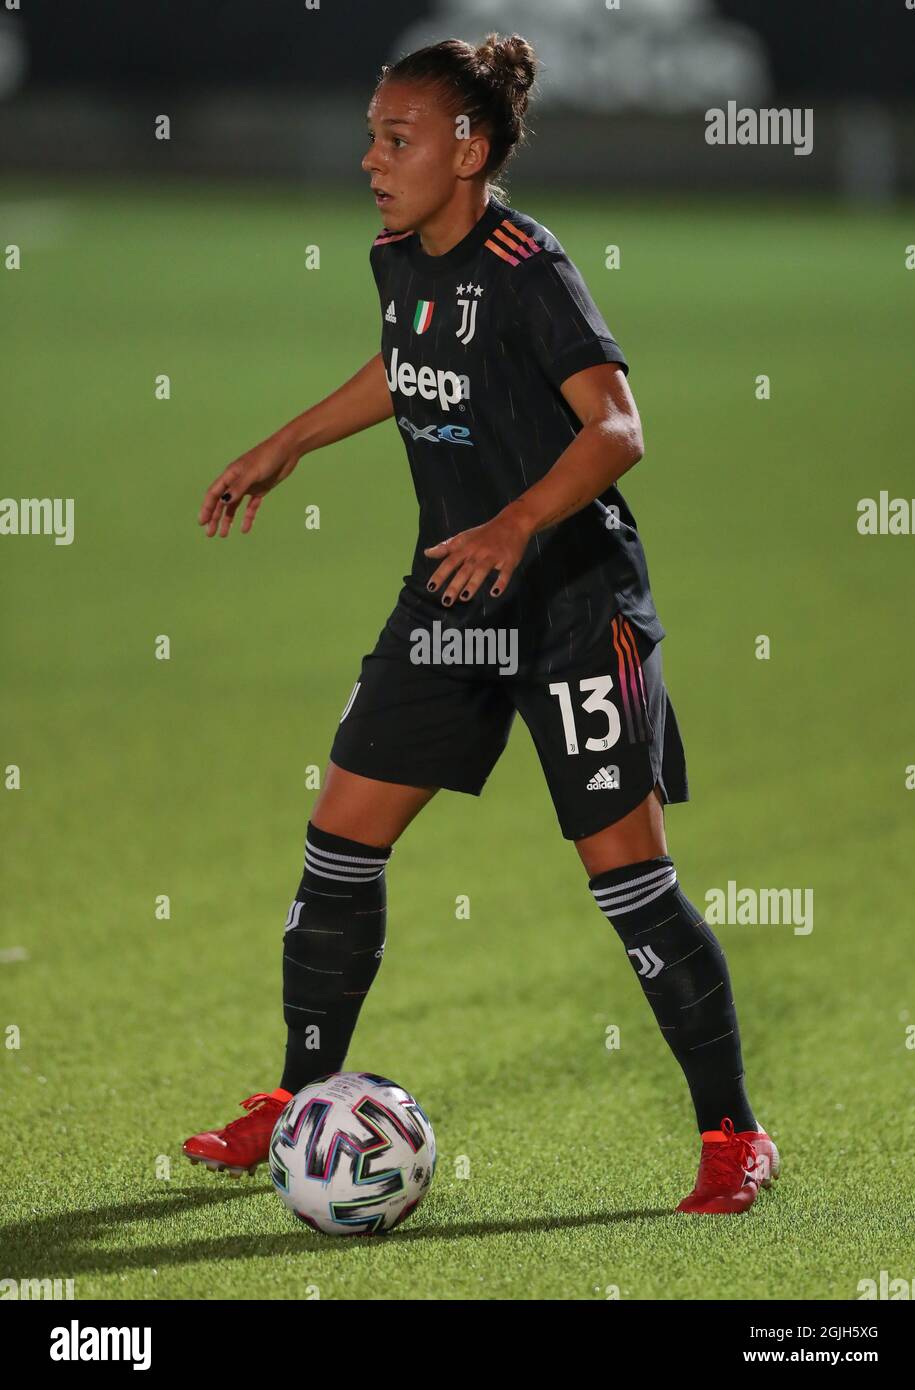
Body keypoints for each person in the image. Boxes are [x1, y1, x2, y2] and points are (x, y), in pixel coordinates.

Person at [184, 33, 779, 1214]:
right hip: (451, 598)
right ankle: (301, 1100)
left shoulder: (529, 265)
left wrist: (514, 525)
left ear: (469, 148)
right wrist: (288, 440)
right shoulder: (399, 254)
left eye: (394, 139)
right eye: (370, 134)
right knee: (338, 841)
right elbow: (409, 359)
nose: (370, 159)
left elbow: (616, 429)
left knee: (630, 883)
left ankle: (730, 1131)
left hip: (570, 606)